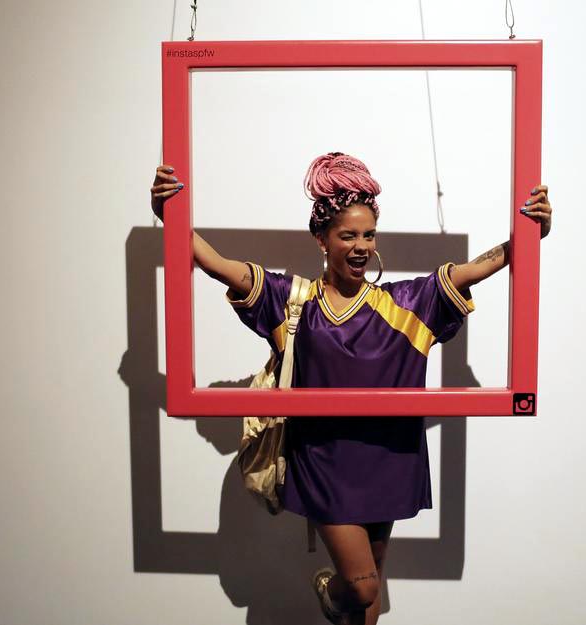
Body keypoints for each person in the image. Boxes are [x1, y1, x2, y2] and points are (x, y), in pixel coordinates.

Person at [150, 152, 552, 625]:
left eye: (369, 234)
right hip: (324, 462)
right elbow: (218, 265)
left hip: (390, 459)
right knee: (359, 587)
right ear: (322, 239)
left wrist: (529, 235)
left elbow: (474, 270)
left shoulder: (407, 304)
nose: (361, 246)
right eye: (348, 235)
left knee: (373, 585)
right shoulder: (293, 303)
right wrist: (169, 218)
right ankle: (328, 588)